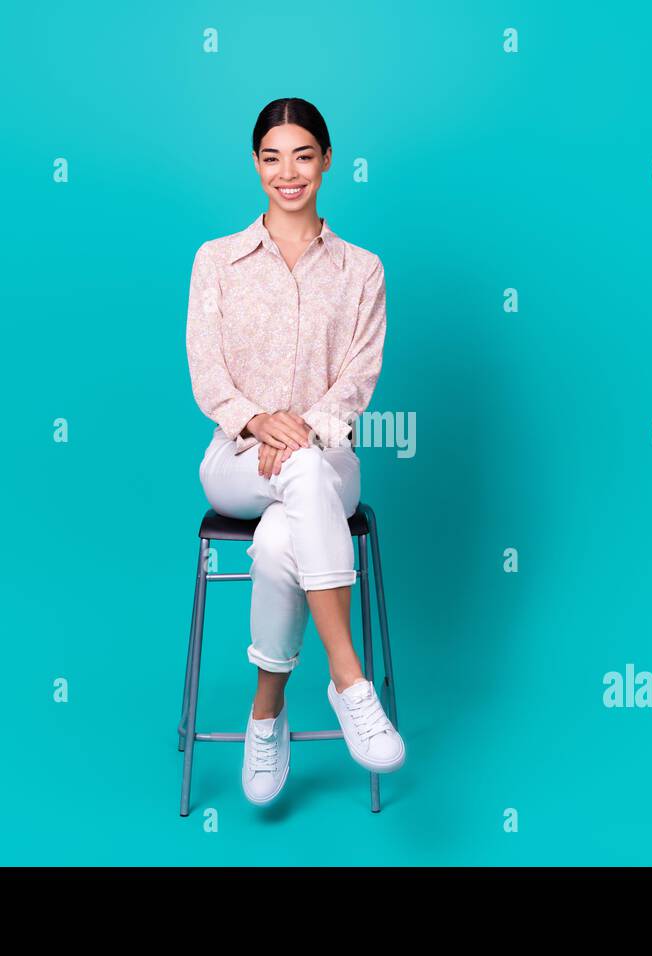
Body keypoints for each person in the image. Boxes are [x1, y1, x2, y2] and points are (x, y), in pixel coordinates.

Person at [185, 97, 406, 806]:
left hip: (326, 458)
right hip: (236, 460)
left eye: (303, 155)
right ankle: (348, 679)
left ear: (326, 160)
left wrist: (304, 429)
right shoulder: (216, 261)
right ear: (256, 165)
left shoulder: (361, 269)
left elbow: (358, 379)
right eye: (273, 157)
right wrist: (257, 421)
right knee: (293, 482)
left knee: (290, 522)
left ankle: (266, 713)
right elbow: (207, 373)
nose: (289, 172)